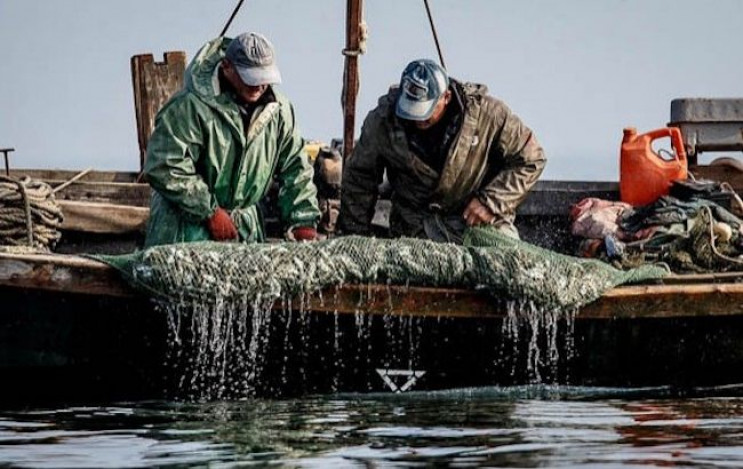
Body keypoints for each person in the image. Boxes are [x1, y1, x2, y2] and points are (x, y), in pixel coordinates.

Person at [339, 59, 546, 243]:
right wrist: (355, 237)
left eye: (425, 112)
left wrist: (491, 202)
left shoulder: (489, 116)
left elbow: (531, 159)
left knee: (508, 265)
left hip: (478, 225)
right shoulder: (383, 121)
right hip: (414, 229)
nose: (418, 120)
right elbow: (359, 178)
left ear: (446, 97)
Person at [143, 32, 320, 247]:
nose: (258, 86)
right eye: (250, 77)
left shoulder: (280, 112)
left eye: (264, 78)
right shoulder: (189, 106)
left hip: (245, 232)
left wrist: (303, 221)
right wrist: (209, 211)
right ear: (226, 67)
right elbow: (164, 164)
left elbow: (296, 168)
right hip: (185, 232)